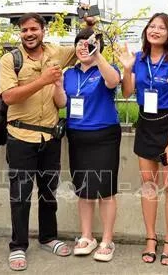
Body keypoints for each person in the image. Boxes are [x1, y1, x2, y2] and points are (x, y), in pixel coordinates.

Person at [0, 12, 95, 271]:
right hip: (20, 135)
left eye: (34, 29)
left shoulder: (56, 53)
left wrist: (89, 26)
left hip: (50, 136)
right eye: (24, 30)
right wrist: (42, 80)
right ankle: (18, 246)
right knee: (20, 196)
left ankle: (48, 237)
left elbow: (84, 48)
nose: (29, 34)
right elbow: (8, 97)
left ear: (43, 30)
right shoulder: (11, 60)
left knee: (48, 192)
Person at [119, 12, 168, 267]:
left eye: (161, 27)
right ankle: (150, 238)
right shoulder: (138, 59)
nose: (156, 30)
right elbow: (128, 93)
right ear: (146, 31)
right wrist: (127, 69)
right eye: (152, 26)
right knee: (148, 186)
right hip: (146, 125)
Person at [52, 28, 121, 262]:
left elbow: (113, 82)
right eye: (80, 43)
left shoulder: (105, 68)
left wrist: (98, 54)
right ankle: (86, 236)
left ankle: (107, 240)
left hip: (104, 135)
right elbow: (61, 103)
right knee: (83, 190)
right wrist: (58, 85)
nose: (84, 47)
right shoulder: (70, 74)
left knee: (106, 190)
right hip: (77, 136)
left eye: (89, 44)